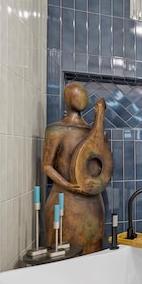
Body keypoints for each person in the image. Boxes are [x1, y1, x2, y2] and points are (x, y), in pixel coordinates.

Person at [42, 82, 108, 254]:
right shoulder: (56, 129)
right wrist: (68, 185)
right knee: (63, 256)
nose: (82, 98)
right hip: (65, 202)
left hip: (93, 204)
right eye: (77, 94)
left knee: (93, 256)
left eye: (83, 94)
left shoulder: (94, 131)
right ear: (67, 98)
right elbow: (47, 166)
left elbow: (103, 166)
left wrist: (99, 119)